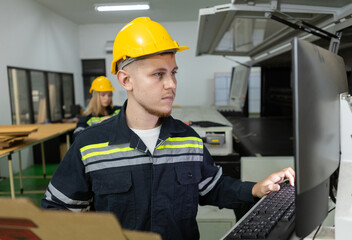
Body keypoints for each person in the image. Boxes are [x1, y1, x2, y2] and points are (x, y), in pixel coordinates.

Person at [41, 17, 295, 240]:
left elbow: (213, 187)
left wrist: (257, 188)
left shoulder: (188, 140)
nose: (171, 84)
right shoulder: (89, 145)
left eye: (173, 73)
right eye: (158, 75)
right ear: (125, 80)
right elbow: (57, 211)